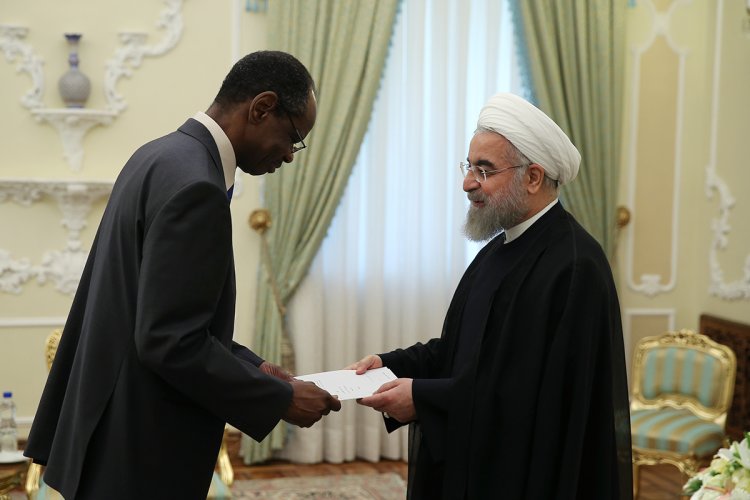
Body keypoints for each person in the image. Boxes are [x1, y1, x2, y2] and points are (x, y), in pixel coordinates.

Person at [24, 51, 342, 499]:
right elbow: (169, 341)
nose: (290, 155)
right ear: (262, 108)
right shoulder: (198, 187)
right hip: (141, 448)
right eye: (293, 137)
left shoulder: (157, 155)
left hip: (106, 428)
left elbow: (163, 315)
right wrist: (280, 399)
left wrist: (259, 369)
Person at [349, 93, 632, 499]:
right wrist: (390, 365)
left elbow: (531, 396)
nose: (467, 183)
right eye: (469, 166)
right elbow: (460, 352)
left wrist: (422, 398)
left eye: (484, 169)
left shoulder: (574, 265)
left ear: (533, 177)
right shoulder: (498, 249)